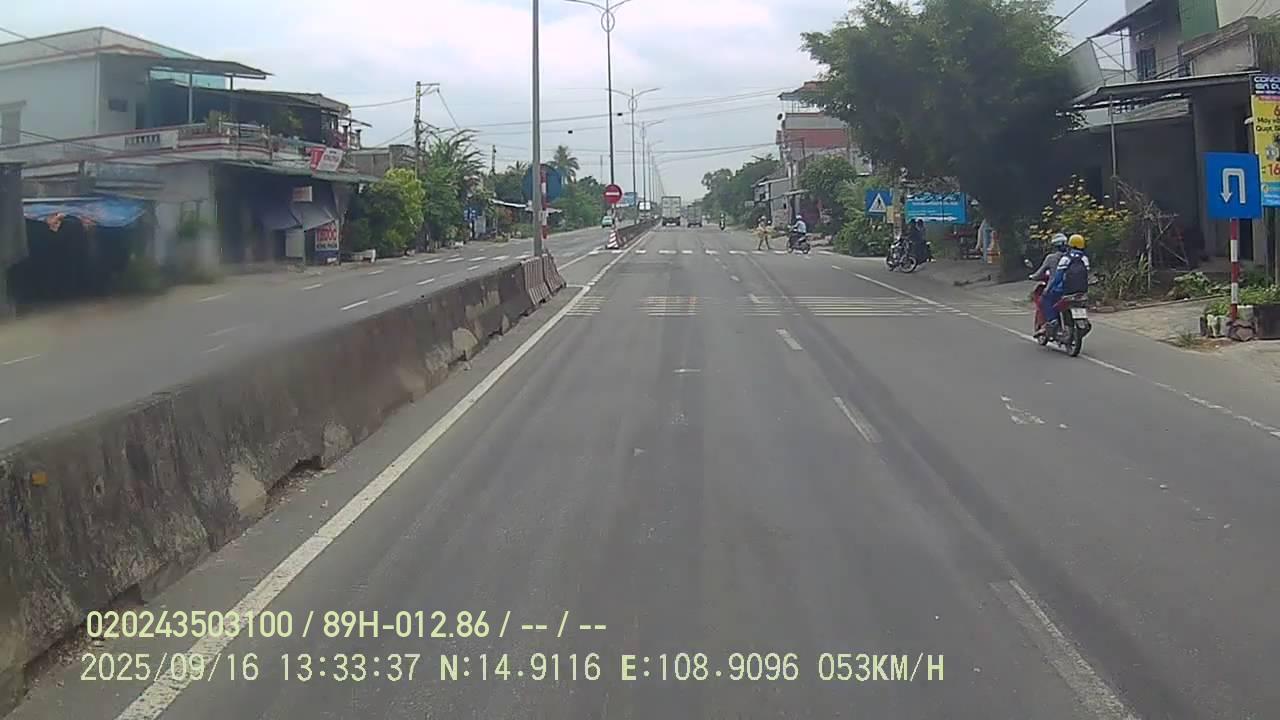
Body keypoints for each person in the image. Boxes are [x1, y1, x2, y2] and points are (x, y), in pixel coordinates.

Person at [1038, 233, 1090, 338]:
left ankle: (1052, 320)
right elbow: (1087, 274)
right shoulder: (1084, 258)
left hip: (1066, 290)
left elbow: (1058, 276)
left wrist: (1051, 287)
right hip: (1082, 291)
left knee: (1045, 299)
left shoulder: (1065, 258)